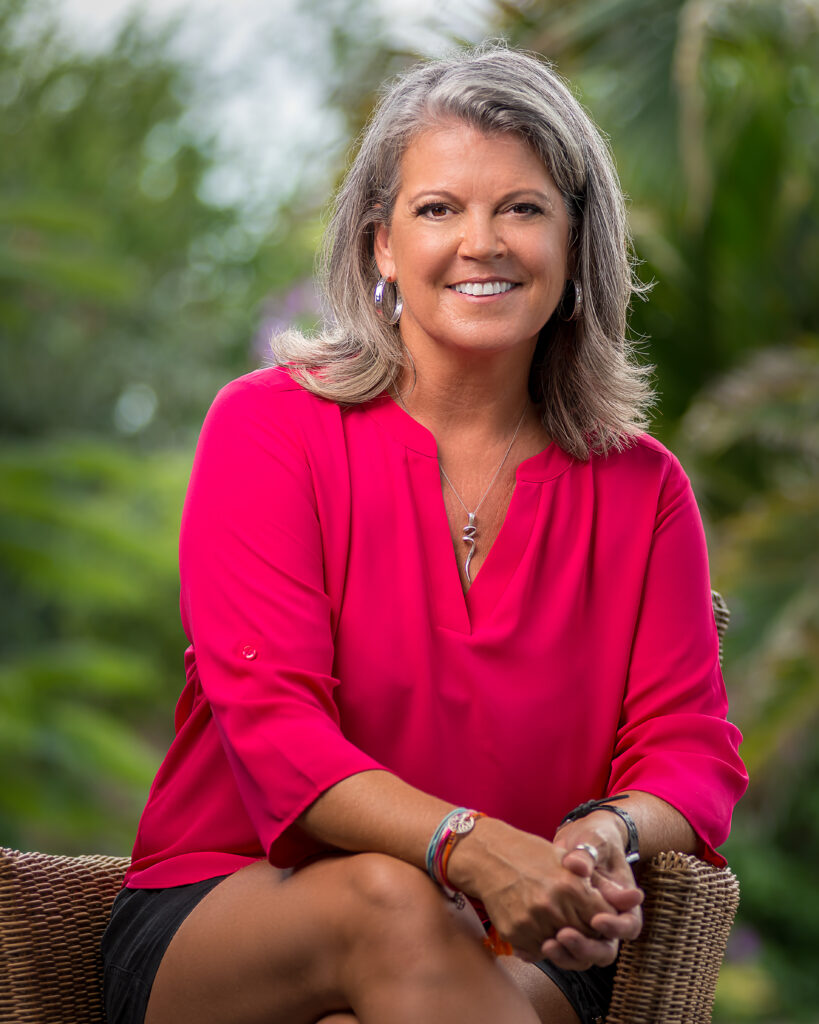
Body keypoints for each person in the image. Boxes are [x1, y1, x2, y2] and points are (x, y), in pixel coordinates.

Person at [101, 42, 747, 1024]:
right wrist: (466, 846)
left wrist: (598, 840)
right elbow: (275, 727)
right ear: (382, 246)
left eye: (521, 209)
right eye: (439, 209)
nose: (481, 242)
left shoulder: (643, 491)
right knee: (389, 902)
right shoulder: (267, 429)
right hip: (235, 914)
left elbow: (687, 750)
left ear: (576, 242)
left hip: (520, 945)